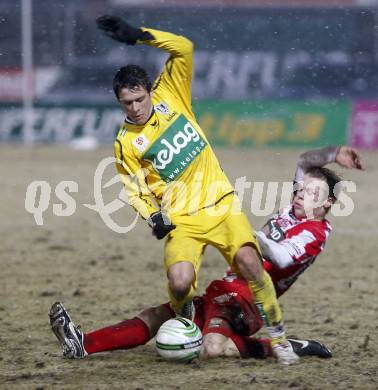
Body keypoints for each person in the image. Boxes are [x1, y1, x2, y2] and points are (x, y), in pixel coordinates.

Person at [96, 15, 295, 362]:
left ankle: (279, 338)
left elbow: (184, 47)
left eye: (139, 99)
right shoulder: (125, 143)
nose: (135, 108)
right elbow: (135, 188)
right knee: (178, 282)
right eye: (126, 103)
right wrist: (153, 216)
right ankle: (186, 319)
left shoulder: (171, 94)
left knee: (250, 263)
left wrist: (138, 36)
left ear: (150, 91)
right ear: (119, 102)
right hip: (182, 219)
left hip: (221, 205)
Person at [49, 145, 363, 361]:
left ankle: (285, 346)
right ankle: (84, 344)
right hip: (223, 289)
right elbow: (306, 161)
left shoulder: (315, 233)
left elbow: (280, 257)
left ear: (328, 204)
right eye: (302, 189)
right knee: (157, 315)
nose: (302, 195)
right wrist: (335, 153)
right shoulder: (296, 210)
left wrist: (243, 234)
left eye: (313, 193)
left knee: (212, 349)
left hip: (247, 304)